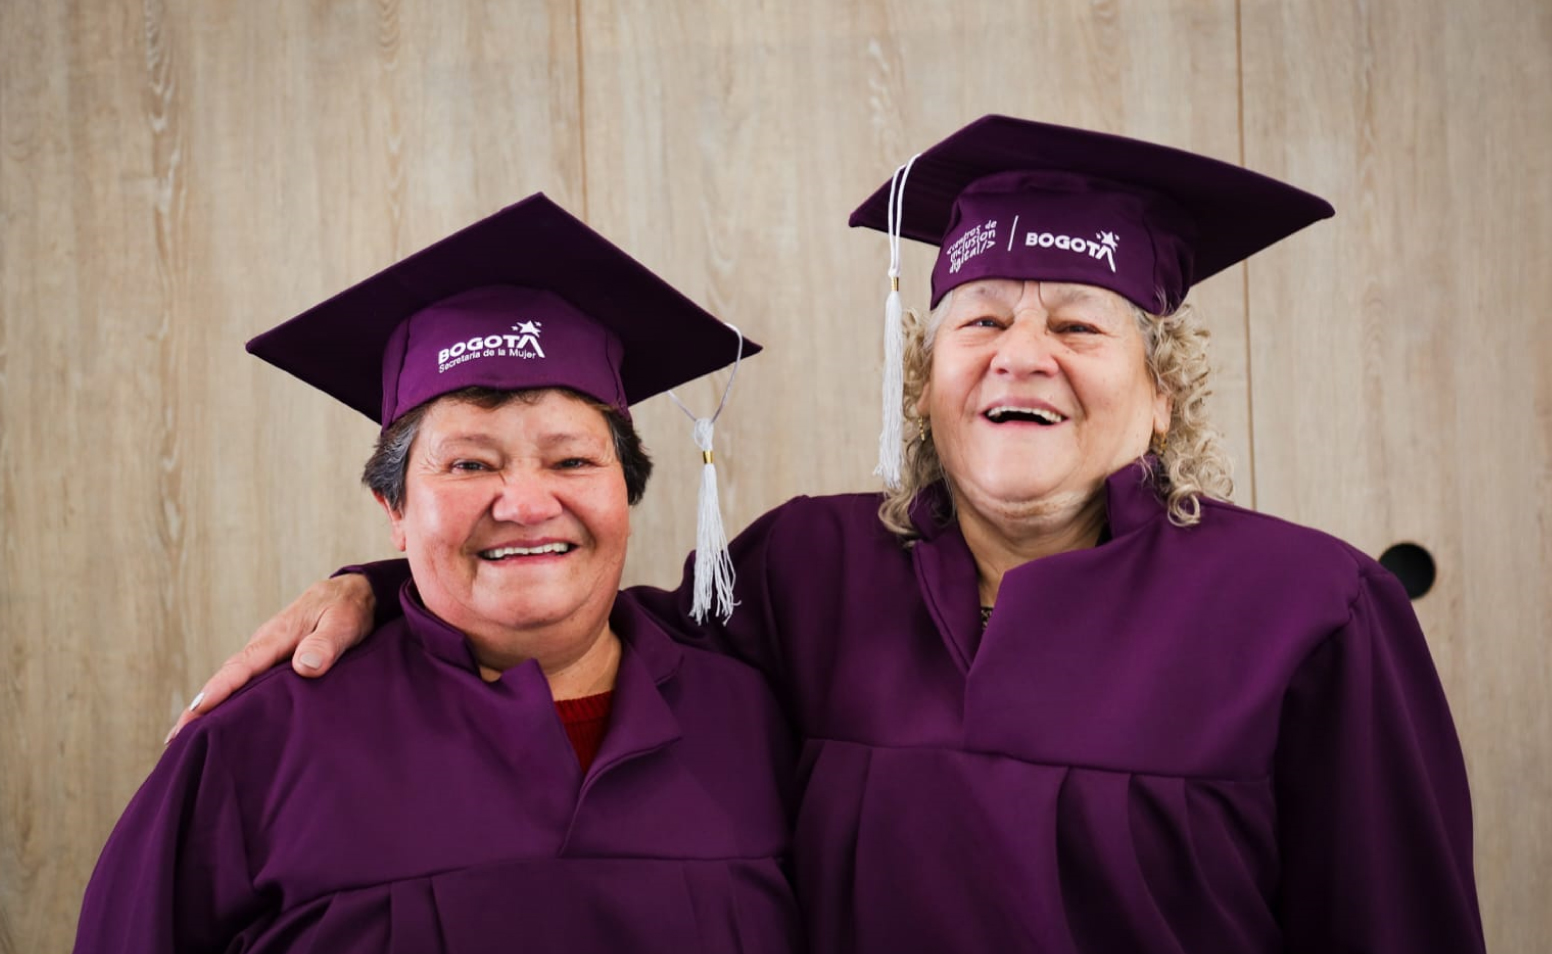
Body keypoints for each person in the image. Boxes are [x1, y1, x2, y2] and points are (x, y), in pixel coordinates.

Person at [174, 118, 1487, 953]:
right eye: (978, 322)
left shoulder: (1310, 611)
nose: (1020, 353)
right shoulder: (803, 570)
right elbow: (576, 629)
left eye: (1081, 326)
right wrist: (375, 586)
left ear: (1162, 387)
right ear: (926, 373)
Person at [76, 194, 803, 953]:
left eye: (573, 460)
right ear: (393, 507)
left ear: (627, 489)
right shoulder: (256, 746)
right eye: (469, 463)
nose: (526, 503)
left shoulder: (754, 721)